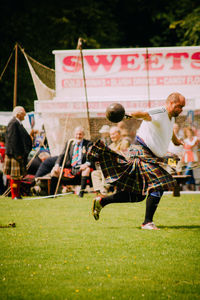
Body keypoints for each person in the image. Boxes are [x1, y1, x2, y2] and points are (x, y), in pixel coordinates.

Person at [89, 92, 185, 230]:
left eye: (182, 107)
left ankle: (102, 201)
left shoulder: (171, 118)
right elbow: (145, 115)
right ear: (170, 103)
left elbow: (169, 130)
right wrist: (130, 114)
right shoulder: (160, 111)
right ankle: (147, 222)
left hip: (153, 156)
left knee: (137, 195)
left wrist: (176, 141)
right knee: (159, 183)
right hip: (141, 152)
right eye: (178, 106)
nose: (180, 109)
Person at [50, 126, 93, 197]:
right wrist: (57, 165)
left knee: (87, 169)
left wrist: (86, 164)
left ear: (83, 135)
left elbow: (91, 157)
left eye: (80, 134)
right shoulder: (70, 143)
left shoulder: (88, 144)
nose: (78, 136)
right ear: (74, 134)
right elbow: (62, 155)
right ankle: (52, 195)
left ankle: (81, 194)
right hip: (69, 169)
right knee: (54, 171)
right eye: (77, 134)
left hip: (81, 168)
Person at [91, 126, 131, 196]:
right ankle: (99, 191)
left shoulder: (125, 142)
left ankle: (104, 190)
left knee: (106, 170)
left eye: (113, 134)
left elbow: (123, 155)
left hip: (121, 168)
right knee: (95, 173)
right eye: (110, 135)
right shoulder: (111, 145)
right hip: (112, 168)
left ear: (119, 134)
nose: (111, 136)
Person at [3, 106, 32, 199]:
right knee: (14, 176)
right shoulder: (13, 123)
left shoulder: (17, 123)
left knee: (18, 176)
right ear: (18, 114)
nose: (25, 115)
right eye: (24, 113)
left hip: (18, 154)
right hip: (15, 154)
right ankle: (14, 195)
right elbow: (13, 140)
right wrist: (18, 155)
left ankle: (17, 194)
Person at [182, 126, 199, 190]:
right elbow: (184, 150)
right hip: (187, 158)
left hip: (193, 157)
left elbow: (190, 147)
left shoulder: (195, 139)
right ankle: (192, 186)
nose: (189, 134)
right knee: (190, 173)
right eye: (187, 132)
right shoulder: (185, 140)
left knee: (187, 171)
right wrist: (183, 158)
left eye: (190, 132)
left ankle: (186, 184)